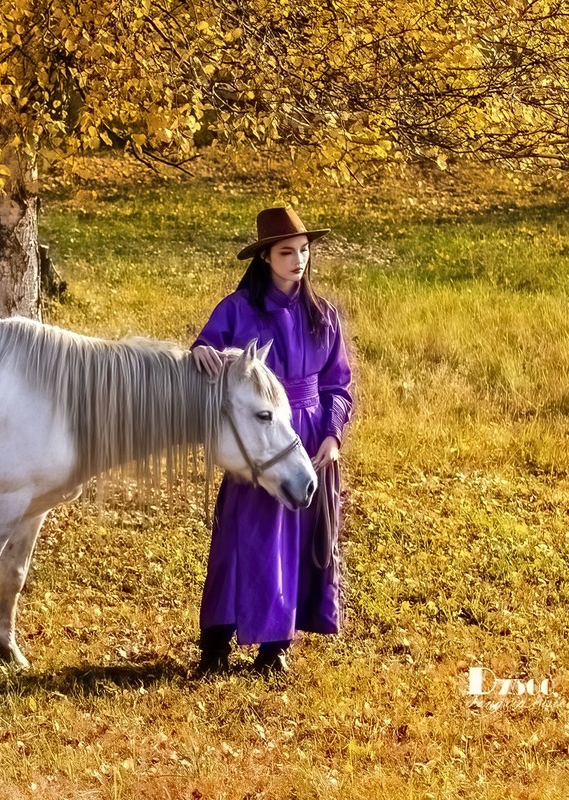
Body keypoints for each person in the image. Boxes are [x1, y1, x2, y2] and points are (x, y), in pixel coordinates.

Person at [191, 207, 354, 674]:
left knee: (297, 540)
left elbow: (337, 384)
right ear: (265, 258)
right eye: (286, 252)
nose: (297, 260)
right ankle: (217, 640)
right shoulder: (237, 310)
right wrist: (203, 350)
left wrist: (332, 434)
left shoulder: (323, 317)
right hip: (261, 433)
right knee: (242, 537)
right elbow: (206, 348)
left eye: (303, 251)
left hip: (308, 432)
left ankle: (276, 646)